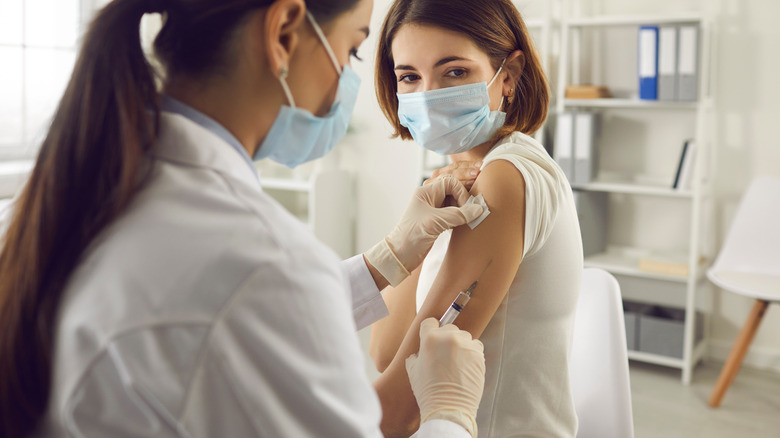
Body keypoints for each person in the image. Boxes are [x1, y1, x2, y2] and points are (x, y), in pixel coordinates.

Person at [0, 0, 488, 437]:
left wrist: (386, 258)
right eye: (353, 50)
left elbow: (220, 317)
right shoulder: (263, 267)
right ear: (283, 33)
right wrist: (449, 413)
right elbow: (247, 305)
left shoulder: (53, 198)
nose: (346, 76)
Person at [369, 0, 584, 436]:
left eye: (454, 72)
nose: (427, 96)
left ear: (508, 75)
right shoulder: (449, 185)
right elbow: (385, 352)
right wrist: (405, 247)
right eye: (409, 77)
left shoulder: (505, 179)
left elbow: (399, 410)